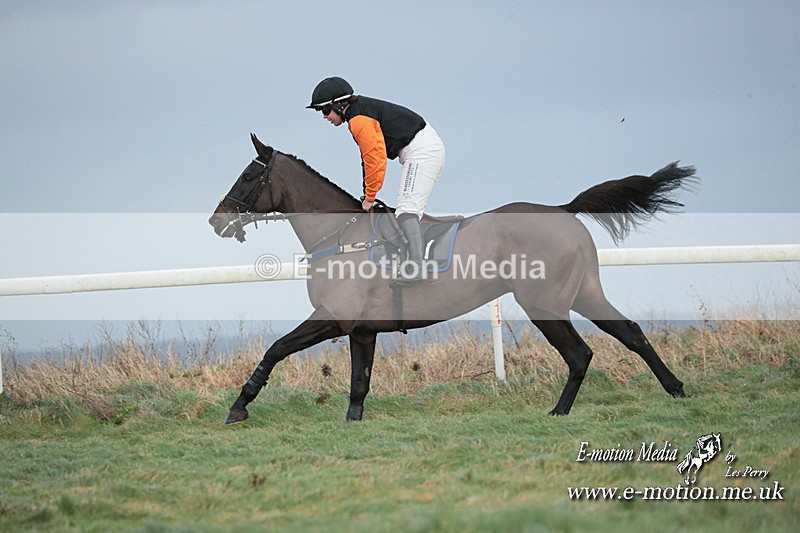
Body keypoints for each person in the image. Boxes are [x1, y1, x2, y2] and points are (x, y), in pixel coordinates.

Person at [306, 76, 445, 283]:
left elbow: (376, 159)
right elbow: (367, 158)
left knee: (407, 210)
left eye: (325, 111)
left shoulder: (359, 120)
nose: (324, 117)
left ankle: (417, 267)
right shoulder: (357, 115)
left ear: (339, 104)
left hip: (422, 151)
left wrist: (370, 196)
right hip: (417, 150)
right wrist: (367, 191)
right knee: (406, 209)